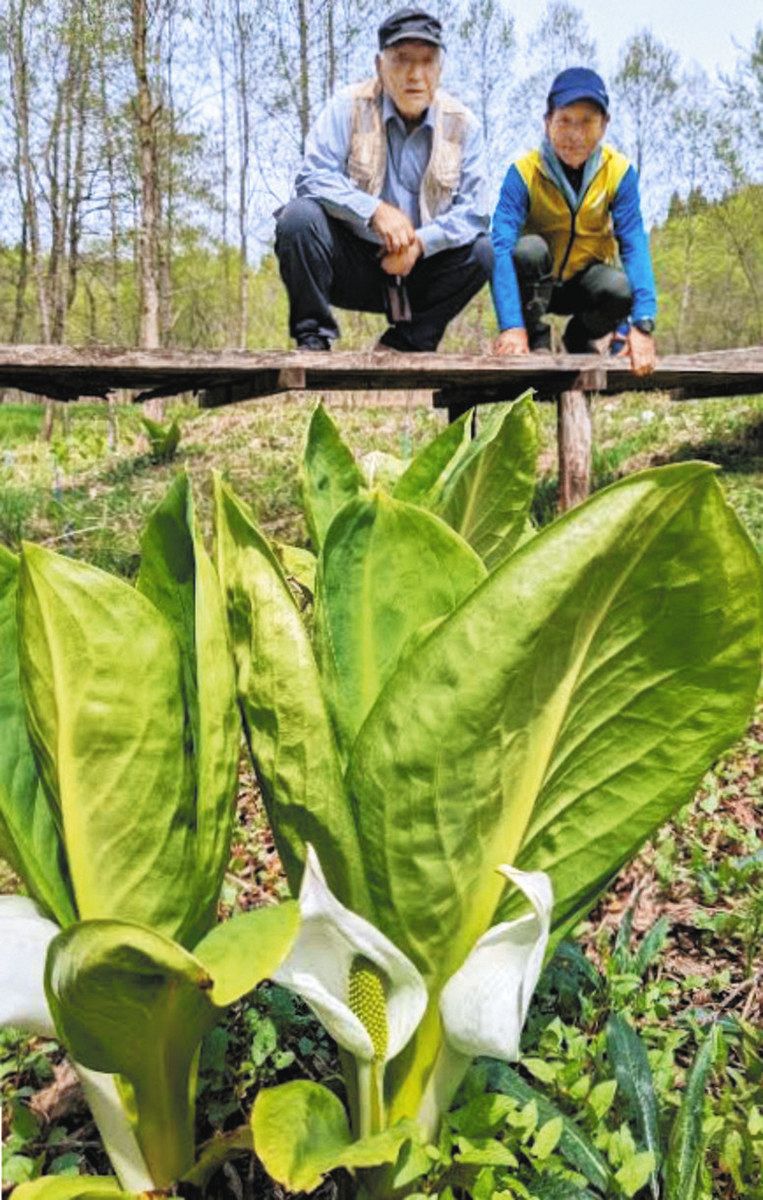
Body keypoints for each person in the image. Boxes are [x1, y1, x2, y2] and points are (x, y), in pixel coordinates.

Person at [274, 7, 492, 352]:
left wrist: (420, 244)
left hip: (422, 270)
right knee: (298, 218)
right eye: (401, 60)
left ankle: (408, 341)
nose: (415, 75)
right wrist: (374, 211)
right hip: (356, 265)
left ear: (440, 68)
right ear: (379, 66)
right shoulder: (348, 106)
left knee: (483, 250)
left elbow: (475, 213)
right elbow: (312, 175)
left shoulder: (464, 125)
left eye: (427, 61)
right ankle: (313, 339)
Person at [491, 67, 657, 376]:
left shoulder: (619, 173)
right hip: (537, 284)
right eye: (564, 120)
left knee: (619, 288)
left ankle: (579, 337)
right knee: (526, 250)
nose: (575, 135)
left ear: (604, 125)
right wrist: (511, 325)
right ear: (547, 123)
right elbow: (499, 246)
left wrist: (643, 323)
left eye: (587, 122)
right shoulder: (523, 173)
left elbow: (633, 243)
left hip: (585, 285)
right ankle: (536, 333)